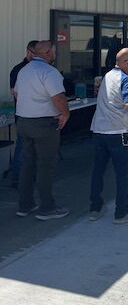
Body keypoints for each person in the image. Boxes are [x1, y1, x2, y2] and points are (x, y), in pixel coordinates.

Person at [14, 40, 70, 220]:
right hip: (44, 124)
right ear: (47, 53)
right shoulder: (49, 71)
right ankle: (47, 208)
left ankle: (25, 205)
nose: (55, 55)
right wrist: (65, 114)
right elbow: (58, 97)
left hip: (24, 121)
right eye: (53, 52)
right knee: (46, 165)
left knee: (27, 164)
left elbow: (16, 93)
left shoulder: (24, 70)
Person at [89, 48, 128, 224]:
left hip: (99, 130)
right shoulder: (126, 79)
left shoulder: (107, 76)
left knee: (98, 171)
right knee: (122, 174)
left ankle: (95, 209)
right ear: (126, 63)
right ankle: (121, 213)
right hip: (117, 132)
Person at [9, 40, 39, 188]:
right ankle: (17, 179)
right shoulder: (18, 70)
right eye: (35, 54)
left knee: (35, 150)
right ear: (28, 52)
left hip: (38, 116)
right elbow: (16, 93)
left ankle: (30, 177)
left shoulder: (40, 68)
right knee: (22, 148)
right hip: (23, 116)